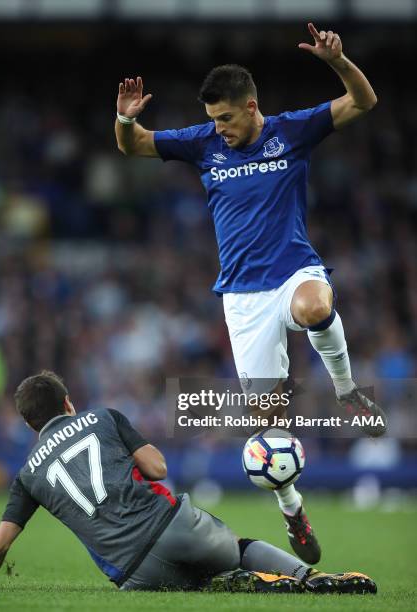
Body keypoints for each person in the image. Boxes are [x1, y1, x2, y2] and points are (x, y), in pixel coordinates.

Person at [114, 22, 387, 565]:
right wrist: (125, 118)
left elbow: (364, 101)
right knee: (268, 431)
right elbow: (136, 146)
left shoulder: (293, 130)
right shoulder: (202, 142)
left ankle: (346, 389)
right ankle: (292, 509)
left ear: (251, 106)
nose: (219, 130)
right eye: (212, 120)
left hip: (294, 272)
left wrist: (338, 61)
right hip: (242, 299)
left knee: (316, 307)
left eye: (226, 118)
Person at [0, 371, 376, 595]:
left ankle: (227, 583)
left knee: (199, 583)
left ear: (30, 425)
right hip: (175, 529)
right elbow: (156, 469)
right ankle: (307, 577)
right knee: (240, 550)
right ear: (68, 403)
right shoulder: (102, 417)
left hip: (134, 573)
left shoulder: (28, 474)